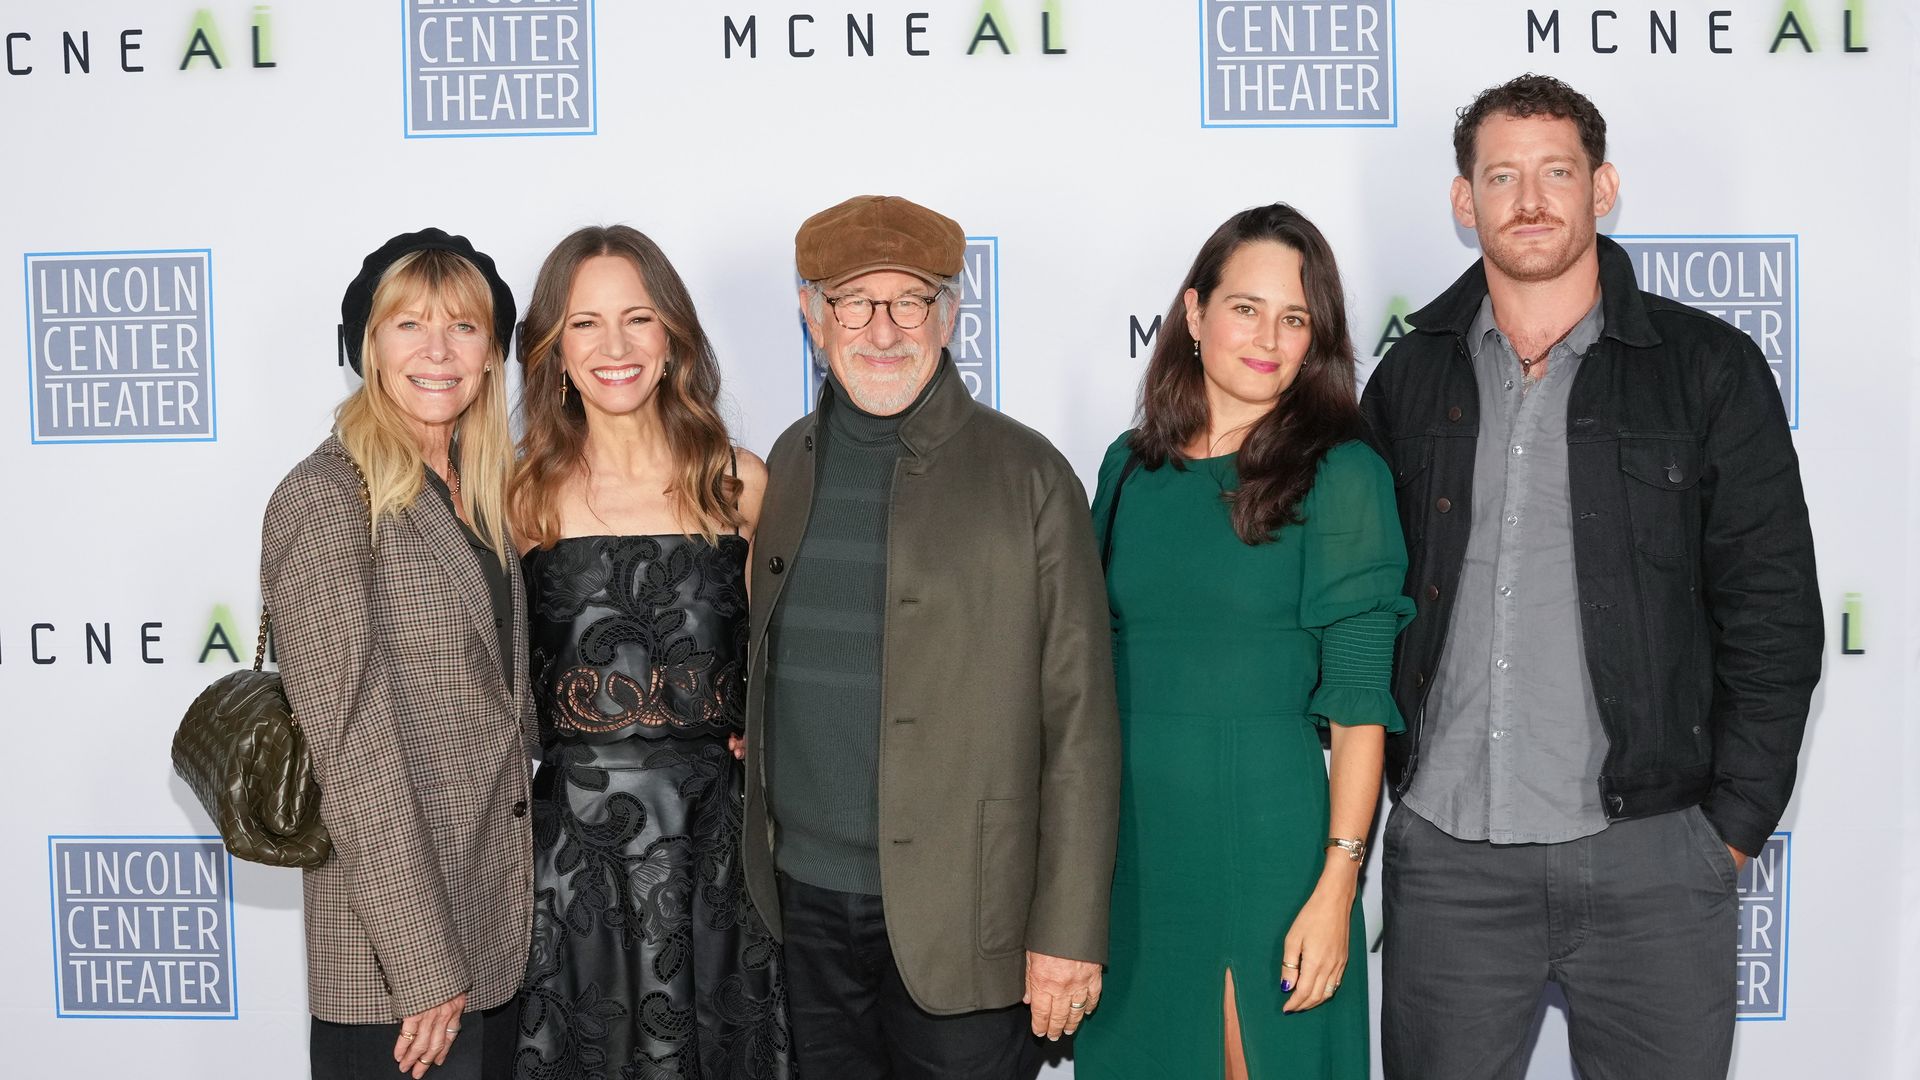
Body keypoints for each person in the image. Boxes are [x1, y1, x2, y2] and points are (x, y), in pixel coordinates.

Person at [1363, 74, 1823, 1080]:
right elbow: (1365, 602)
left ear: (1601, 188)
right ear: (1463, 201)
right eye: (1502, 175)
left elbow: (1775, 614)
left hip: (1653, 860)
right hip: (1450, 862)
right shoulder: (1410, 378)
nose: (1529, 200)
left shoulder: (1707, 369)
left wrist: (1729, 833)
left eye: (1556, 172)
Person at [739, 194, 1120, 1077]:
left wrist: (1066, 935)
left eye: (908, 299)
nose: (883, 328)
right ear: (812, 315)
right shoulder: (783, 468)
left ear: (949, 314)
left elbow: (1082, 727)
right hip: (805, 916)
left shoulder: (1029, 475)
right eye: (853, 301)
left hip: (971, 923)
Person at [1072, 204, 1412, 1080]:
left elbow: (1360, 701)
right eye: (1247, 308)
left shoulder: (1343, 474)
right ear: (1193, 314)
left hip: (1267, 841)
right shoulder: (1126, 466)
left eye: (1295, 318)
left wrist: (1337, 887)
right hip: (1127, 855)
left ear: (1317, 339)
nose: (1269, 337)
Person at [506, 225, 794, 1078]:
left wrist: (754, 727)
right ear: (554, 352)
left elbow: (787, 659)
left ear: (673, 338)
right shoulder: (520, 497)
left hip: (718, 856)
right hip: (575, 867)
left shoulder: (740, 484)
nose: (615, 347)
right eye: (585, 324)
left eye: (637, 318)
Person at [262, 228, 534, 1080]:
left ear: (493, 354)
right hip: (395, 970)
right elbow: (349, 748)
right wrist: (423, 969)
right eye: (408, 325)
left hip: (492, 930)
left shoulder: (483, 492)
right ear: (368, 345)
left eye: (462, 328)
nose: (437, 352)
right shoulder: (327, 498)